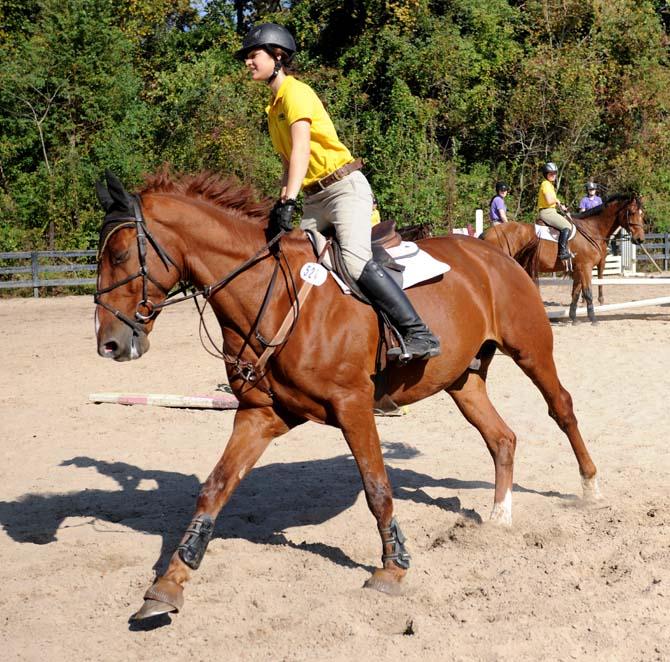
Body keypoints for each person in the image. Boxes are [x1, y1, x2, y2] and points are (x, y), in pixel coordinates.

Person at [236, 23, 440, 361]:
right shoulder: (272, 108)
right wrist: (281, 201)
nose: (247, 62)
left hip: (344, 189)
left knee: (355, 261)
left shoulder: (296, 93)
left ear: (277, 55)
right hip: (315, 198)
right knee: (296, 261)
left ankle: (418, 332)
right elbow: (289, 161)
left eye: (252, 55)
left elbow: (302, 148)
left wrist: (289, 200)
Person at [537, 162, 572, 260]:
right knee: (567, 226)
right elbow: (549, 200)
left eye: (554, 173)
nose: (553, 175)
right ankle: (562, 252)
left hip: (551, 211)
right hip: (547, 212)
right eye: (550, 173)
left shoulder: (550, 185)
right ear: (546, 174)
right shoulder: (546, 184)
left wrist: (562, 206)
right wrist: (557, 200)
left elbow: (551, 202)